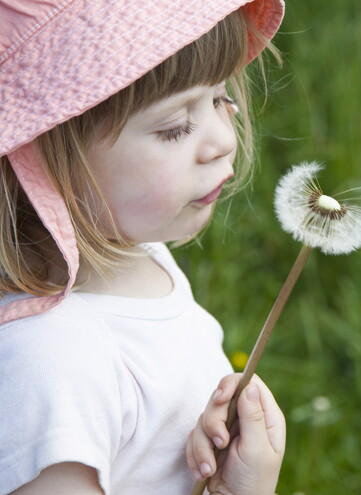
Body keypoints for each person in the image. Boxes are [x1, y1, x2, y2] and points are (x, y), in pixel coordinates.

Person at [0, 1, 286, 494]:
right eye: (175, 126)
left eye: (221, 99)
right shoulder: (53, 362)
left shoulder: (143, 255)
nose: (221, 140)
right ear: (46, 159)